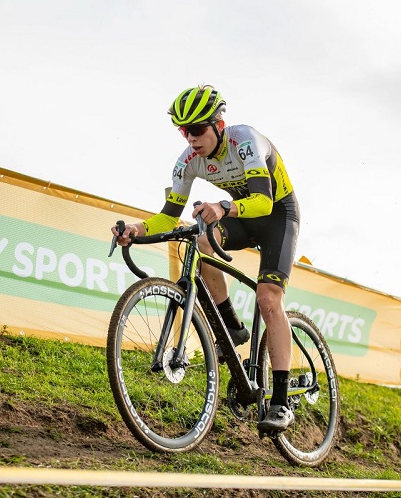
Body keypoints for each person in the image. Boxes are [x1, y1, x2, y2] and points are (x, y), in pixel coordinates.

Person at [112, 84, 300, 434]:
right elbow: (168, 216)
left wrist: (223, 206)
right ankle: (231, 325)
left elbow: (264, 202)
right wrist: (137, 228)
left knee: (268, 299)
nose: (191, 138)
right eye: (184, 131)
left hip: (277, 215)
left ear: (218, 125)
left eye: (197, 129)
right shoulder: (188, 161)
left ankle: (281, 402)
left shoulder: (244, 141)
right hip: (240, 215)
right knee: (200, 241)